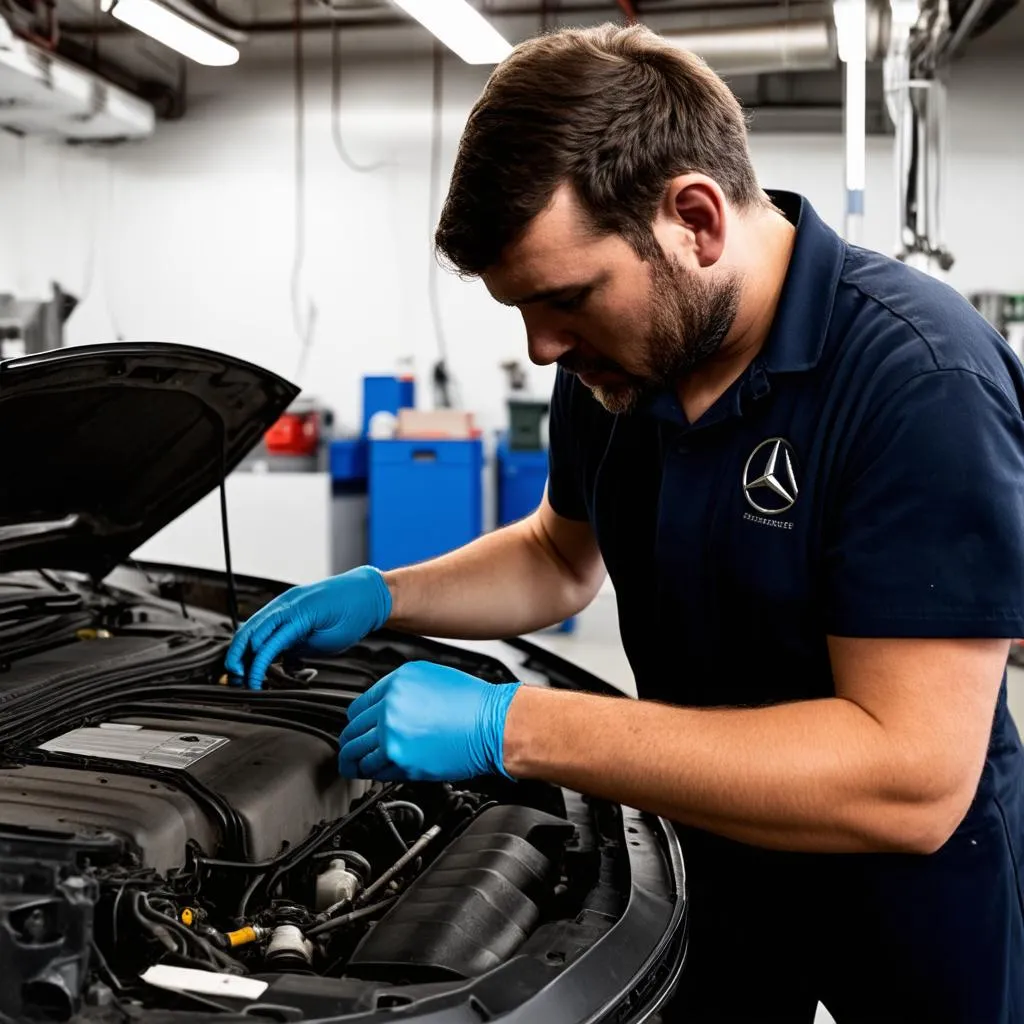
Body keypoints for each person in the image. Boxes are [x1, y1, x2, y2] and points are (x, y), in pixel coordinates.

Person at [226, 23, 1024, 1023]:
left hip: (907, 888)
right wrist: (385, 593)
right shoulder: (617, 364)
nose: (544, 344)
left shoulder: (916, 380)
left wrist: (515, 725)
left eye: (565, 298)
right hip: (707, 845)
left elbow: (909, 777)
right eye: (522, 310)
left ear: (692, 217)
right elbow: (559, 558)